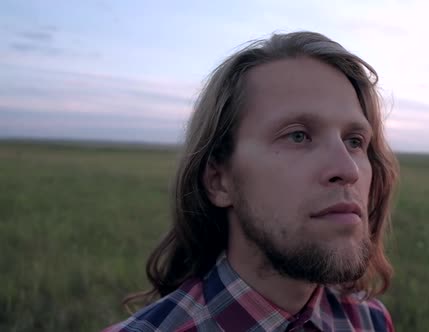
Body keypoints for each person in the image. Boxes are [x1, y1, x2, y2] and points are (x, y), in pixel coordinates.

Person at [104, 30, 399, 332]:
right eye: (298, 135)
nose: (348, 169)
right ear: (219, 180)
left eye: (354, 141)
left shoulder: (369, 321)